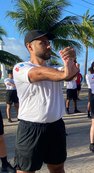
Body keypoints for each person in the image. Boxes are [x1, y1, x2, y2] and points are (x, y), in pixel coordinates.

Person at [13, 30, 79, 172]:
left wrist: (72, 60)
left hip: (56, 126)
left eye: (48, 43)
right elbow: (38, 73)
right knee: (25, 170)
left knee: (57, 168)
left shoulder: (56, 69)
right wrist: (65, 73)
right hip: (30, 129)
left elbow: (70, 75)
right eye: (42, 43)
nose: (48, 46)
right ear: (29, 47)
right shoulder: (20, 67)